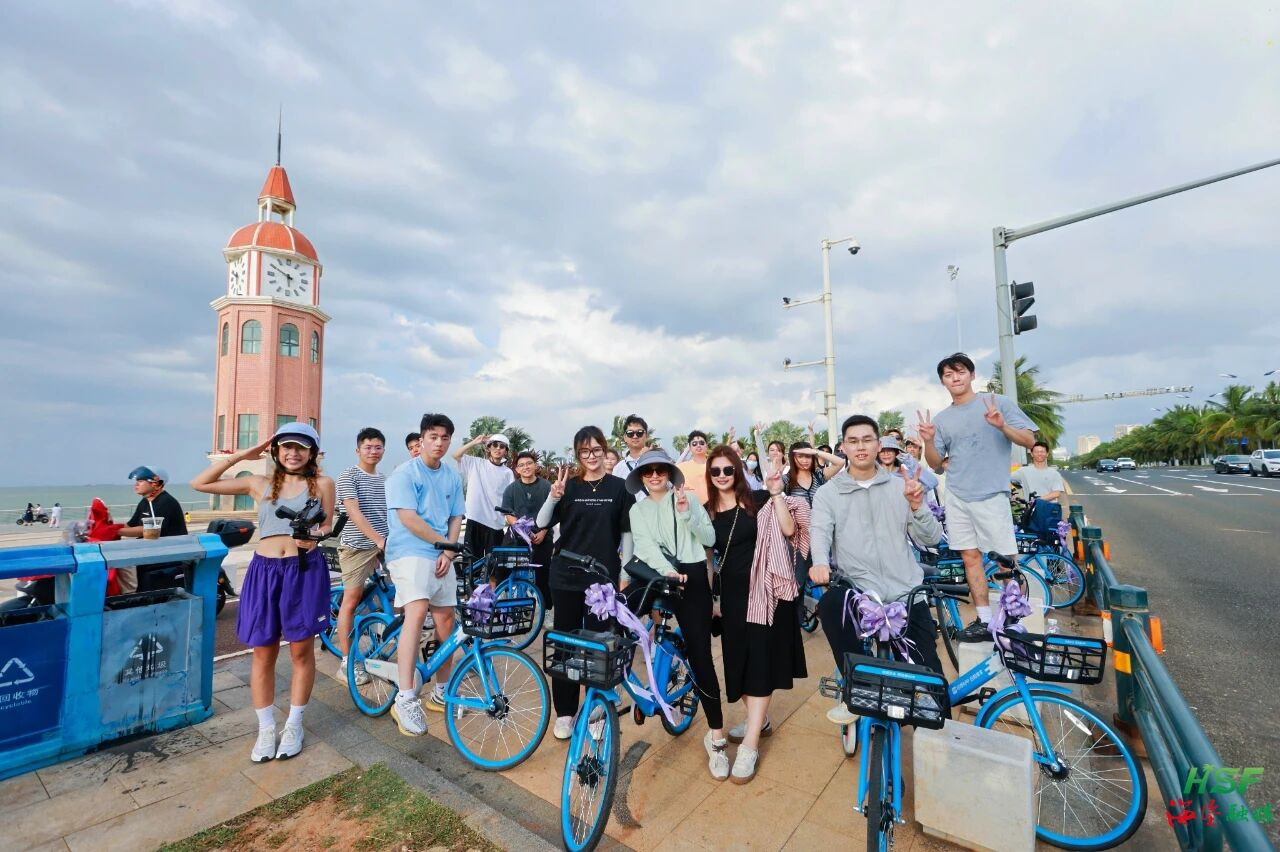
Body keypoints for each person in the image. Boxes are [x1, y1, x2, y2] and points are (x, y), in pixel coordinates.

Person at [191, 422, 335, 762]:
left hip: (303, 569)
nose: (293, 452)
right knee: (262, 650)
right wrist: (243, 455)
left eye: (301, 447)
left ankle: (295, 724)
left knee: (301, 650)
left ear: (312, 452)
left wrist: (316, 533)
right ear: (275, 450)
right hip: (264, 571)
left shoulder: (324, 484)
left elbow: (328, 524)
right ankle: (266, 728)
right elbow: (200, 483)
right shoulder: (260, 483)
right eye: (286, 446)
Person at [810, 415, 943, 725]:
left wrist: (916, 506)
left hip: (906, 594)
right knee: (830, 604)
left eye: (867, 439)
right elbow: (819, 533)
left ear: (878, 444)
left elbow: (932, 539)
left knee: (935, 691)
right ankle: (857, 687)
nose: (860, 447)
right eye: (853, 441)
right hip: (860, 594)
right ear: (843, 447)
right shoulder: (829, 493)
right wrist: (819, 562)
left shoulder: (901, 487)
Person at [919, 352, 1036, 641]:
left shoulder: (998, 404)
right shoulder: (943, 419)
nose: (955, 378)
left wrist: (1001, 426)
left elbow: (1030, 440)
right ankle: (984, 619)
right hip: (957, 496)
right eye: (948, 375)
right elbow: (935, 464)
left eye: (960, 372)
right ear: (942, 381)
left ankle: (1013, 618)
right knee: (970, 558)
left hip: (991, 493)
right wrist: (927, 441)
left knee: (1004, 561)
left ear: (972, 375)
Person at [708, 447, 807, 784]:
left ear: (738, 471)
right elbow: (708, 560)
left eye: (728, 470)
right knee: (739, 662)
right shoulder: (707, 513)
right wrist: (711, 599)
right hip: (732, 599)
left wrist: (778, 492)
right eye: (716, 471)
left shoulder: (761, 498)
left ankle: (750, 744)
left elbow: (790, 529)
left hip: (766, 593)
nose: (722, 476)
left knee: (761, 662)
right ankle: (758, 720)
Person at [625, 449, 725, 780]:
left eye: (660, 470)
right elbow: (644, 546)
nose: (654, 476)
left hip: (693, 573)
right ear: (640, 476)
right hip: (658, 573)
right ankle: (631, 692)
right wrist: (667, 570)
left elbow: (710, 539)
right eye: (647, 471)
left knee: (700, 655)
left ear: (669, 472)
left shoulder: (687, 499)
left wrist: (687, 514)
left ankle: (717, 736)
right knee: (616, 618)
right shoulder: (637, 509)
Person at [536, 426, 633, 740]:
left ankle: (594, 712)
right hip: (565, 575)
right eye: (585, 452)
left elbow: (627, 533)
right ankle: (565, 712)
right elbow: (540, 524)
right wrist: (553, 496)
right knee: (564, 644)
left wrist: (625, 574)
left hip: (602, 580)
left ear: (605, 451)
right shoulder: (568, 486)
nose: (592, 457)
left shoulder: (619, 488)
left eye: (596, 450)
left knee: (597, 647)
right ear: (578, 454)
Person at [383, 413, 466, 736]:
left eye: (445, 438)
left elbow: (457, 516)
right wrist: (441, 543)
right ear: (421, 439)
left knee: (447, 620)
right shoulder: (404, 473)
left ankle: (441, 690)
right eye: (433, 437)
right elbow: (407, 518)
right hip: (409, 552)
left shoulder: (451, 476)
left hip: (440, 553)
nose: (439, 443)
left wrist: (448, 551)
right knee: (417, 612)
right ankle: (405, 697)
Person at [334, 427, 389, 684]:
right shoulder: (349, 475)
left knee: (397, 592)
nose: (373, 451)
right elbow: (354, 512)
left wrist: (385, 541)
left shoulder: (383, 479)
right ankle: (347, 662)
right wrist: (377, 539)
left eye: (378, 447)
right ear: (358, 450)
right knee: (351, 599)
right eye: (368, 447)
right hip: (357, 545)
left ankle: (377, 633)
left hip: (384, 544)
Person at [119, 466, 190, 594]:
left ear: (156, 483)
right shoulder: (145, 502)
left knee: (122, 560)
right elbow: (130, 526)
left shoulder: (165, 502)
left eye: (140, 481)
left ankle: (129, 595)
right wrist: (106, 525)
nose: (136, 485)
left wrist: (115, 531)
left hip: (169, 552)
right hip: (152, 547)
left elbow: (151, 531)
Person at [452, 432, 515, 560]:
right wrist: (475, 442)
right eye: (495, 445)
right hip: (475, 518)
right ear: (488, 448)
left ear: (506, 451)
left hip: (496, 522)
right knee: (471, 564)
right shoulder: (475, 463)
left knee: (494, 567)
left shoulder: (507, 473)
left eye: (502, 447)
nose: (498, 449)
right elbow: (456, 455)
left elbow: (510, 498)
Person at [502, 450, 553, 606]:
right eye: (521, 465)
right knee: (504, 568)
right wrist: (524, 532)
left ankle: (546, 608)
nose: (526, 467)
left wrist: (544, 532)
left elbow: (555, 512)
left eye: (529, 463)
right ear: (517, 469)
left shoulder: (547, 486)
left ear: (535, 465)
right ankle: (510, 604)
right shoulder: (511, 489)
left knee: (544, 574)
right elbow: (508, 514)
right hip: (518, 537)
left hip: (542, 537)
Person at [1013, 441, 1065, 508]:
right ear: (1032, 454)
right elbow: (1007, 478)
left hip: (1049, 509)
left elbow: (1056, 493)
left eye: (1042, 452)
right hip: (1030, 510)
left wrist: (1036, 501)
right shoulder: (1023, 471)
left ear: (1047, 454)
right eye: (1036, 452)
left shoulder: (1054, 473)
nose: (1039, 454)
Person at [675, 430, 711, 505]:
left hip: (713, 507)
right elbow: (675, 489)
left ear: (706, 446)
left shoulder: (714, 466)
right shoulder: (681, 467)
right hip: (691, 508)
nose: (698, 445)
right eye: (694, 443)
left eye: (702, 443)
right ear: (690, 448)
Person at [613, 414, 652, 479]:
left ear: (647, 436)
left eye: (640, 432)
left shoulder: (657, 462)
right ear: (625, 437)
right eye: (630, 433)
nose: (635, 436)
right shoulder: (618, 468)